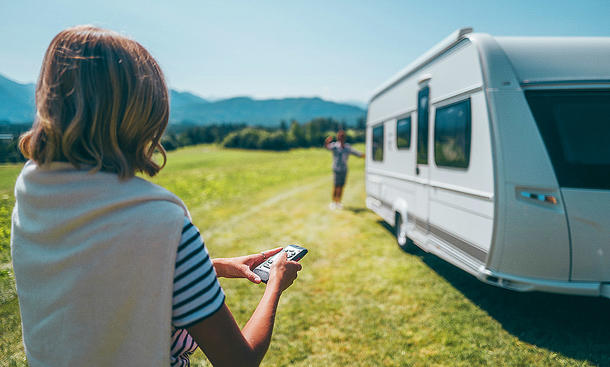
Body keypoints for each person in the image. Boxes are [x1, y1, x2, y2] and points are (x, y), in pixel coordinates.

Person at [10, 25, 302, 367]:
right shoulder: (165, 226)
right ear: (144, 113)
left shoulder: (34, 199)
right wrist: (275, 283)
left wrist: (217, 267)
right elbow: (239, 360)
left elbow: (106, 279)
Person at [324, 130, 364, 209]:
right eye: (340, 137)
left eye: (342, 137)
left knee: (341, 186)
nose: (341, 138)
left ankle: (338, 202)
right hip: (336, 169)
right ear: (338, 138)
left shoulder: (347, 147)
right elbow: (327, 147)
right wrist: (326, 142)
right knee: (336, 186)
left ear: (344, 138)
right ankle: (333, 202)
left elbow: (356, 153)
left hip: (344, 170)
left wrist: (365, 156)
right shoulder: (334, 146)